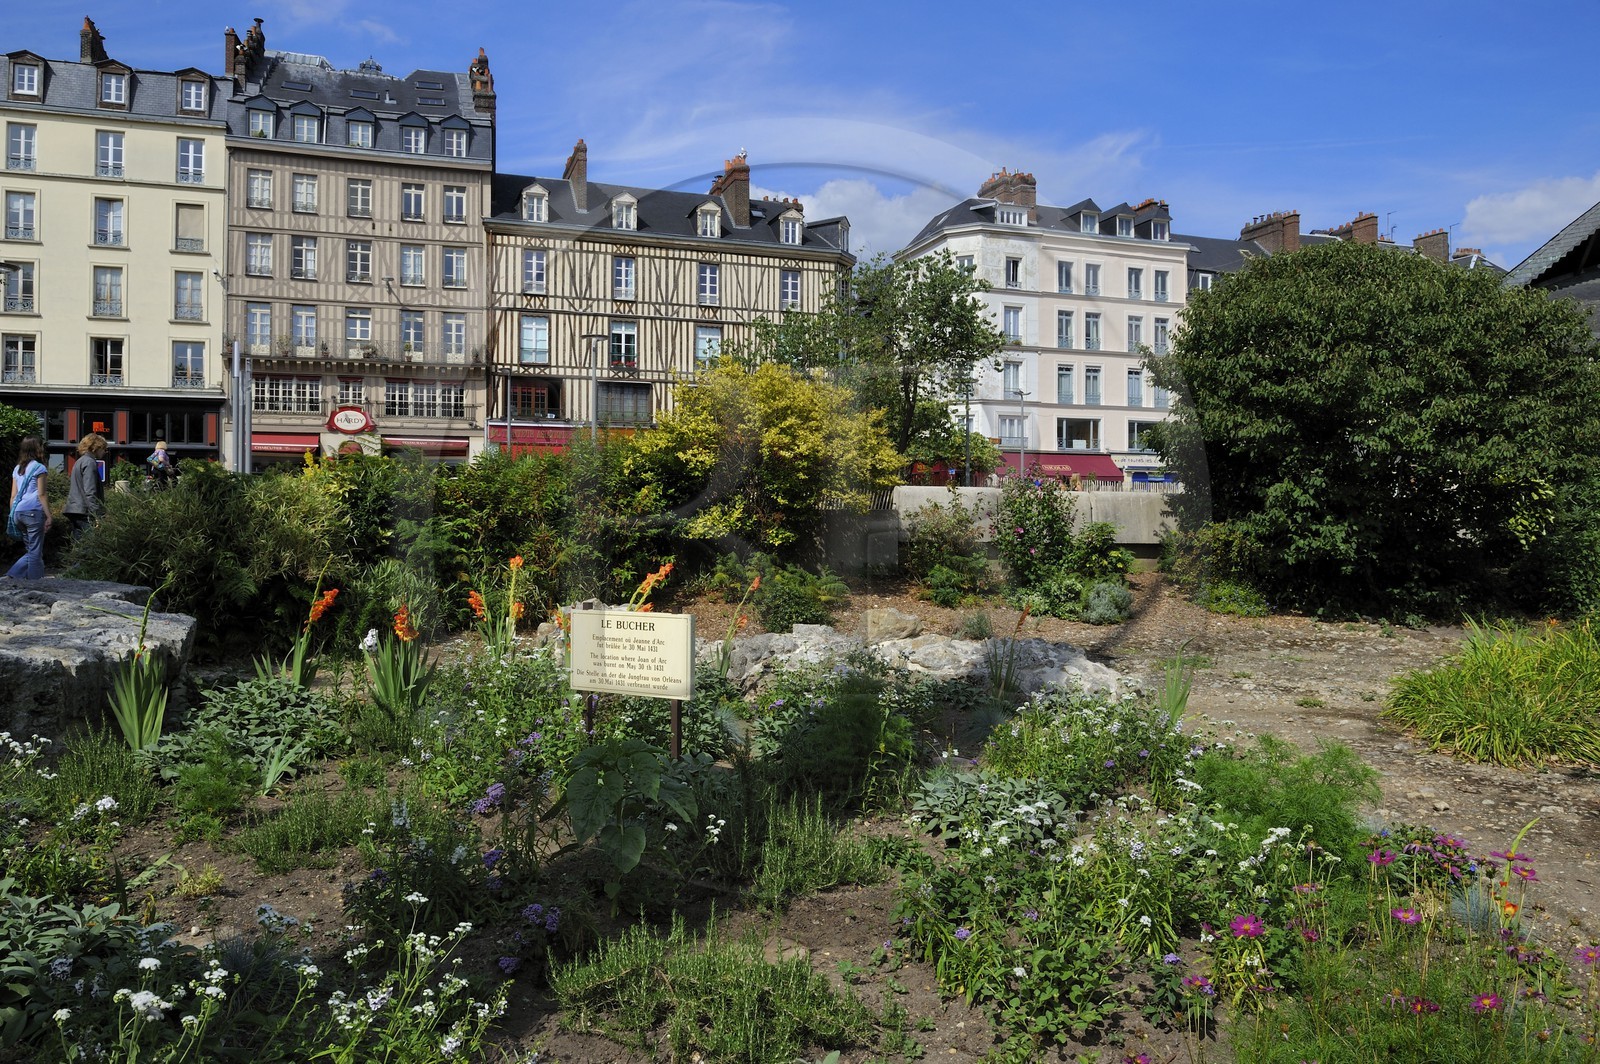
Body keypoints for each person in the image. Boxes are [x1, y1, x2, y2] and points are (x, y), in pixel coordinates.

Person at [7, 435, 51, 579]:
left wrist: (12, 515)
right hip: (33, 512)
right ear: (38, 448)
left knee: (32, 550)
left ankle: (12, 576)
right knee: (35, 552)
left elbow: (13, 495)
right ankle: (36, 584)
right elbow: (42, 494)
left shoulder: (17, 469)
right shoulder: (40, 468)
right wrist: (49, 515)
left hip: (18, 512)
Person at [64, 432, 108, 539]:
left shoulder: (79, 461)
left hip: (74, 509)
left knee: (79, 544)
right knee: (91, 545)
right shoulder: (90, 463)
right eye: (104, 448)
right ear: (95, 447)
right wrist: (97, 514)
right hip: (85, 511)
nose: (105, 452)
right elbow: (90, 491)